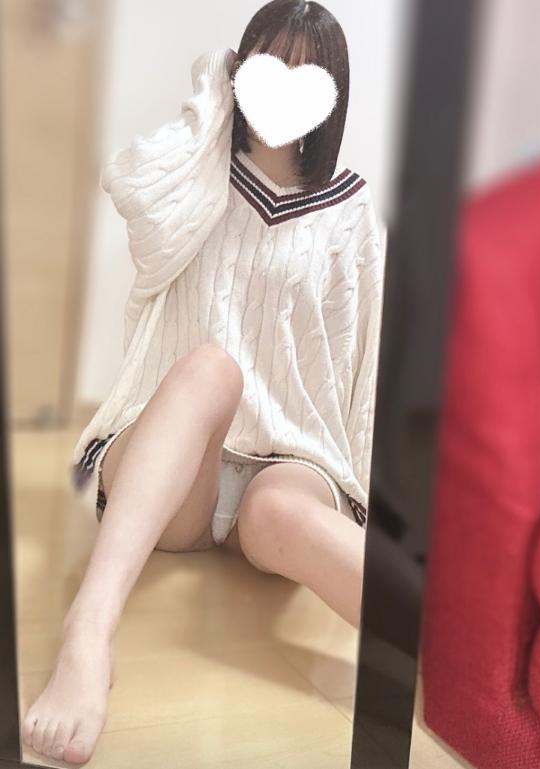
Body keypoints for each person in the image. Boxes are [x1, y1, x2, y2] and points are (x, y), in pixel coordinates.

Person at [21, 0, 386, 763]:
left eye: (305, 73)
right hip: (175, 458)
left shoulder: (352, 211)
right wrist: (212, 97)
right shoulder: (197, 173)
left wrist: (361, 489)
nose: (282, 86)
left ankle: (455, 654)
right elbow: (130, 186)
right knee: (212, 366)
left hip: (287, 465)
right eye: (266, 65)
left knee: (281, 511)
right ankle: (88, 634)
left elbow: (360, 361)